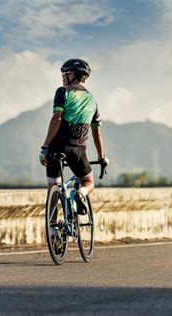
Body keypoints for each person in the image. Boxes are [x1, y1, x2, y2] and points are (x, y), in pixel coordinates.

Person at [39, 58, 108, 215]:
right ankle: (81, 193)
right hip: (78, 150)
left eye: (64, 74)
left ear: (72, 75)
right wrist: (102, 157)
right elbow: (96, 131)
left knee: (53, 187)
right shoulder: (92, 100)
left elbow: (57, 118)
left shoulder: (63, 92)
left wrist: (45, 147)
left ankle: (53, 230)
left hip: (57, 146)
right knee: (88, 182)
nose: (63, 78)